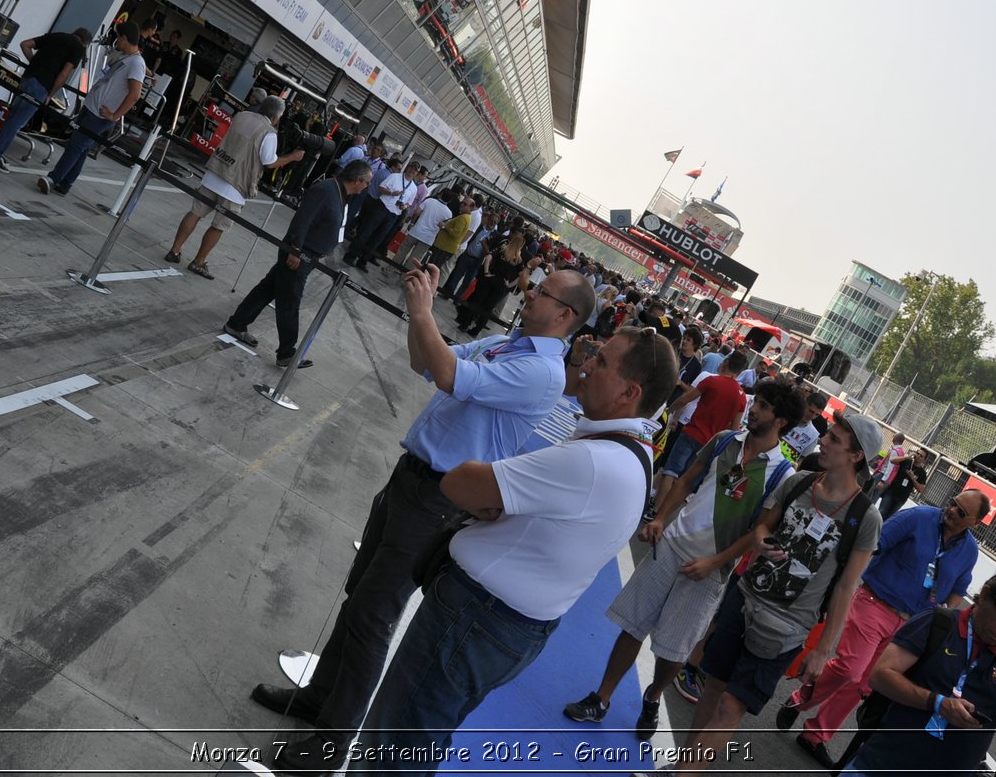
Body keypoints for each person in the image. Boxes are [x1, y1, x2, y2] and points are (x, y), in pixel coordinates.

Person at [248, 265, 599, 770]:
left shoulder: (540, 372)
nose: (528, 293)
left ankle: (330, 746)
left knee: (373, 615)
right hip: (412, 480)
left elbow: (452, 375)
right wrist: (424, 318)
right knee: (359, 595)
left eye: (541, 292)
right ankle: (319, 696)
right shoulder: (510, 342)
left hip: (437, 500)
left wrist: (421, 310)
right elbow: (428, 362)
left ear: (565, 314)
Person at [343, 326, 676, 776]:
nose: (588, 363)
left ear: (628, 392)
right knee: (421, 738)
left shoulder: (594, 460)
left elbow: (459, 481)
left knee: (393, 743)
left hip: (473, 619)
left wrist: (490, 499)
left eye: (602, 361)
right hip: (504, 626)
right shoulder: (632, 453)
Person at [563, 377, 803, 741]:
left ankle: (653, 695)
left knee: (675, 650)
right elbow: (688, 480)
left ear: (781, 421)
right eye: (757, 402)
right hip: (672, 546)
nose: (753, 409)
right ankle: (602, 698)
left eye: (765, 407)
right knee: (633, 624)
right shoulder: (725, 440)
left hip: (710, 572)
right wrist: (660, 518)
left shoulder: (782, 474)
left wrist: (714, 562)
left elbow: (756, 532)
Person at [667, 412, 885, 775]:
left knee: (730, 707)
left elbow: (847, 586)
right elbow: (763, 524)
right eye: (827, 435)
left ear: (856, 456)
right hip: (746, 596)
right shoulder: (799, 483)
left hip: (788, 625)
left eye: (834, 439)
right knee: (712, 689)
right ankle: (685, 768)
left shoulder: (865, 518)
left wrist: (823, 650)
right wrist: (763, 539)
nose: (823, 442)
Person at [778, 489, 991, 767]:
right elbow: (873, 544)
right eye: (953, 503)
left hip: (912, 625)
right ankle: (801, 698)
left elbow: (958, 590)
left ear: (975, 522)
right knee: (851, 669)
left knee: (867, 682)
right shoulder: (918, 518)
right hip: (874, 602)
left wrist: (941, 617)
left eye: (962, 512)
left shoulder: (969, 551)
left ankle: (816, 734)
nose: (952, 510)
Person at [840, 568, 996, 777]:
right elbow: (880, 675)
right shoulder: (937, 623)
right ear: (986, 595)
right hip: (881, 766)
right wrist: (938, 703)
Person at [220, 159, 370, 366]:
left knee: (267, 289)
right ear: (358, 180)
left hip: (309, 255)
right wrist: (295, 250)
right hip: (300, 254)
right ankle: (286, 353)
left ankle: (236, 324)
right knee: (290, 302)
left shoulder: (341, 194)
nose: (366, 187)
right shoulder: (326, 190)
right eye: (367, 183)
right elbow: (302, 220)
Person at [165, 95, 306, 278]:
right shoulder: (269, 132)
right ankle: (198, 262)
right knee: (219, 226)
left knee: (195, 213)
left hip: (214, 172)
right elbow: (269, 162)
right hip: (236, 185)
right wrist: (292, 157)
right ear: (277, 116)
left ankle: (174, 250)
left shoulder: (242, 116)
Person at [38, 21, 146, 196]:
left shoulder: (136, 63)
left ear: (125, 38)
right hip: (92, 107)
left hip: (101, 114)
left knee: (76, 145)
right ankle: (66, 183)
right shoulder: (123, 57)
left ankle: (53, 178)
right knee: (81, 147)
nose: (116, 40)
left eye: (118, 37)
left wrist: (114, 115)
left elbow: (134, 94)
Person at [0, 28, 92, 172]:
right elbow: (64, 74)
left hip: (27, 78)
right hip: (42, 85)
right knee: (17, 121)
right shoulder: (78, 48)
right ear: (85, 43)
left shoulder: (56, 35)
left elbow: (25, 44)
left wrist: (34, 63)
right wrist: (51, 93)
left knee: (14, 116)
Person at [656, 352, 748, 507]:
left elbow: (685, 399)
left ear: (726, 362)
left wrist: (667, 412)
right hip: (710, 444)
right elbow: (733, 429)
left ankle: (655, 509)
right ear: (739, 372)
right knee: (685, 480)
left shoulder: (712, 381)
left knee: (671, 471)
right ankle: (663, 515)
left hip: (691, 433)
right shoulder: (742, 397)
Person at [454, 231, 525, 337]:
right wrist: (509, 285)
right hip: (501, 284)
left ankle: (465, 324)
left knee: (476, 301)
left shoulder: (502, 250)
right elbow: (522, 275)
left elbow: (488, 257)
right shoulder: (519, 260)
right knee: (488, 309)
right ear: (521, 246)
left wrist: (486, 272)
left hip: (490, 279)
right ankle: (476, 331)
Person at [343, 156, 405, 272]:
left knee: (363, 225)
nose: (399, 171)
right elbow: (381, 189)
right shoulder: (388, 176)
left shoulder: (384, 172)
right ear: (392, 166)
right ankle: (352, 250)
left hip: (371, 199)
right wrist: (392, 194)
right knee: (366, 229)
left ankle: (354, 248)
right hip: (375, 202)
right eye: (398, 168)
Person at [879, 446, 928, 520]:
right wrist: (907, 457)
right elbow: (892, 460)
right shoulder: (907, 461)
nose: (918, 456)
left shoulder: (922, 473)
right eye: (917, 453)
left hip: (901, 498)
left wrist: (913, 479)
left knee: (888, 518)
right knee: (881, 513)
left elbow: (921, 489)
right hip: (891, 492)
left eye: (921, 456)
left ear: (924, 460)